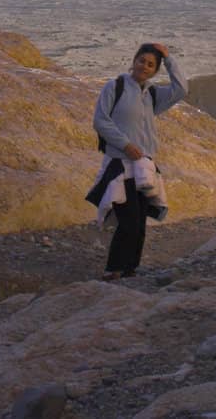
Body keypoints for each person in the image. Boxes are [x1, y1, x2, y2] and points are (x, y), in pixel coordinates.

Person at [85, 41, 188, 280]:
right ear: (133, 61)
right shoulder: (115, 87)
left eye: (151, 64)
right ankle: (113, 270)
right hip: (120, 165)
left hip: (144, 167)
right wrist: (125, 144)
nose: (144, 66)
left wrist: (169, 57)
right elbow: (100, 121)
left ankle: (130, 270)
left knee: (140, 221)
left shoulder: (152, 95)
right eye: (141, 61)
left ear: (155, 70)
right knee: (128, 220)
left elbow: (182, 88)